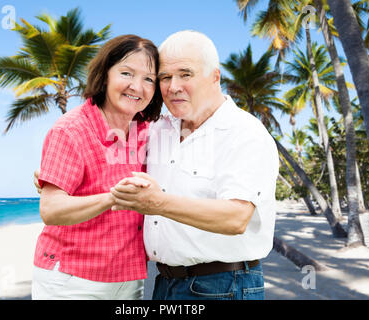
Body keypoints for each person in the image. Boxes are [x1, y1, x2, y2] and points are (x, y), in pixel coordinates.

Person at [109, 30, 279, 300]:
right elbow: (109, 160)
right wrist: (57, 175)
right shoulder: (159, 129)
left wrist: (156, 203)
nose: (173, 86)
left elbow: (236, 218)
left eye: (185, 74)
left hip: (223, 286)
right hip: (164, 283)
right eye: (165, 77)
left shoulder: (244, 132)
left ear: (215, 76)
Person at [31, 34, 162, 300]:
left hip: (128, 277)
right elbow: (51, 209)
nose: (137, 86)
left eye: (149, 79)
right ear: (105, 75)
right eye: (126, 73)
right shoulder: (71, 129)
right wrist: (115, 197)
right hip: (72, 279)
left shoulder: (148, 131)